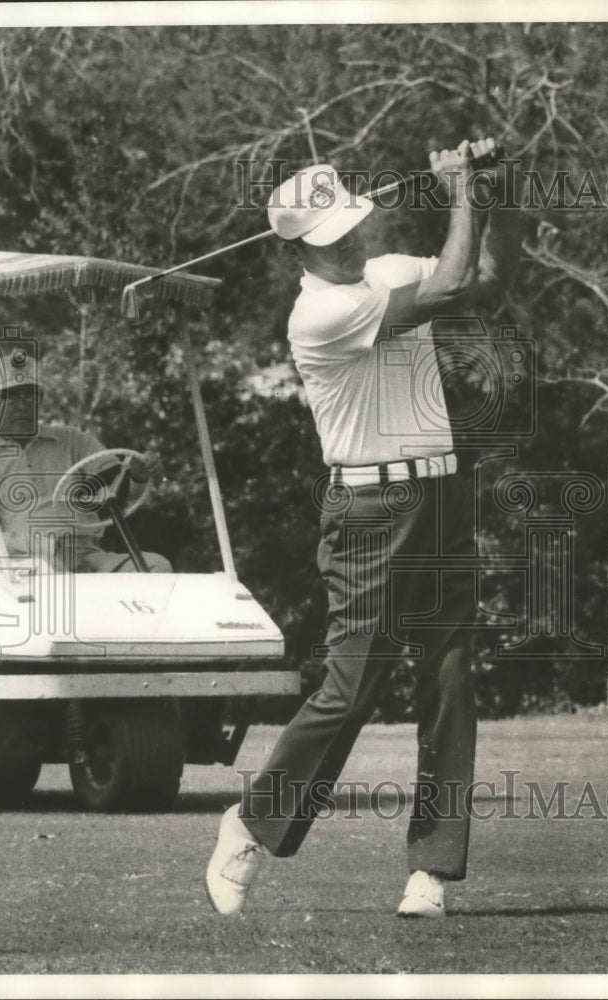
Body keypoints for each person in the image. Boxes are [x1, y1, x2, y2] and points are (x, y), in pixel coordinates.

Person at [206, 138, 522, 917]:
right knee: (352, 690)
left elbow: (484, 279)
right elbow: (448, 286)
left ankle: (431, 871)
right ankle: (250, 823)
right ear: (301, 251)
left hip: (442, 493)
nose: (349, 242)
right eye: (330, 237)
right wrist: (460, 191)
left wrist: (499, 191)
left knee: (449, 678)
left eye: (350, 226)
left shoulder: (384, 272)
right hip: (371, 513)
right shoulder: (320, 313)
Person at [0, 349, 170, 573]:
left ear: (40, 399)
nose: (22, 403)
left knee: (157, 567)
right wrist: (39, 546)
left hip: (87, 555)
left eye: (30, 394)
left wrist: (137, 476)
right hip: (23, 564)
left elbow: (115, 492)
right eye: (11, 395)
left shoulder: (73, 440)